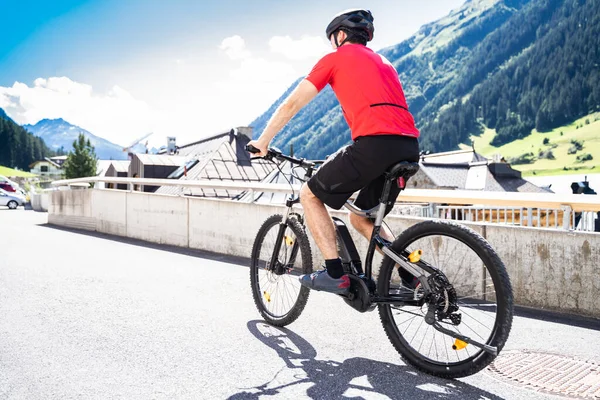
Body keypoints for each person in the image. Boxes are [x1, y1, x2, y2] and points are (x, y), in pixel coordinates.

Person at [248, 9, 420, 294]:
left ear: (340, 36)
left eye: (332, 39)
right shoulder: (385, 63)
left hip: (374, 145)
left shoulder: (335, 59)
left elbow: (292, 104)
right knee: (363, 218)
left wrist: (262, 141)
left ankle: (335, 273)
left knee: (310, 194)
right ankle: (413, 276)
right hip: (408, 147)